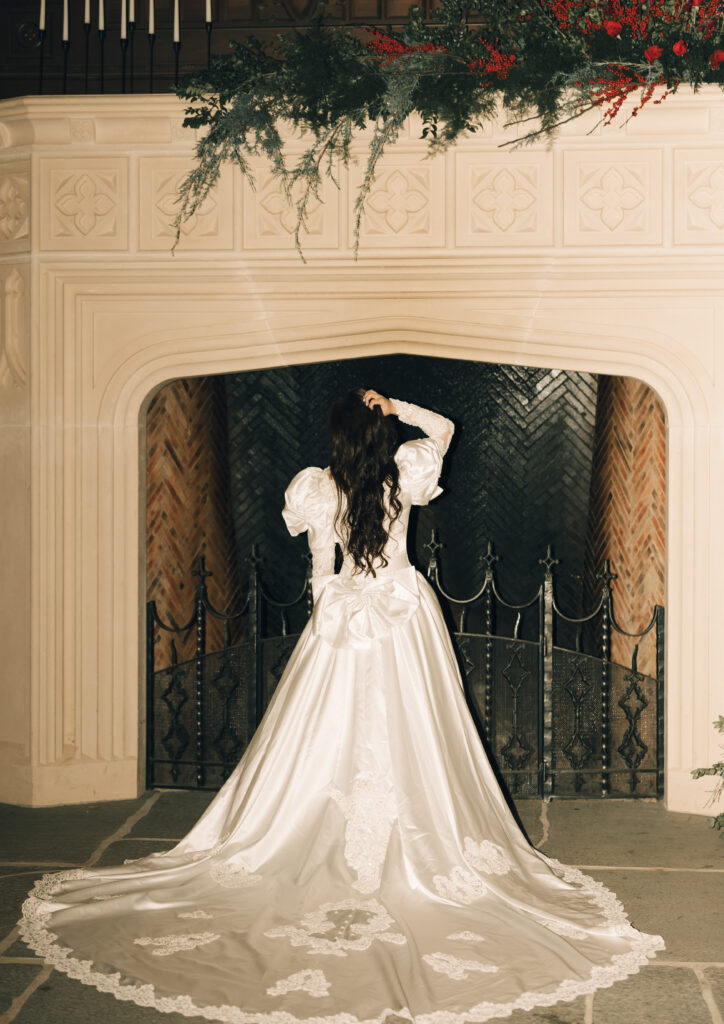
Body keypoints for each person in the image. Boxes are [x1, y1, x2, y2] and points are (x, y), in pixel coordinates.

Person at [19, 389, 664, 1023]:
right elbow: (443, 428)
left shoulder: (317, 488)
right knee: (418, 728)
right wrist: (396, 406)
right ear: (380, 431)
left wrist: (334, 615)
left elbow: (321, 573)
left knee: (323, 732)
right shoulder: (405, 475)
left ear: (337, 438)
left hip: (342, 618)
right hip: (404, 616)